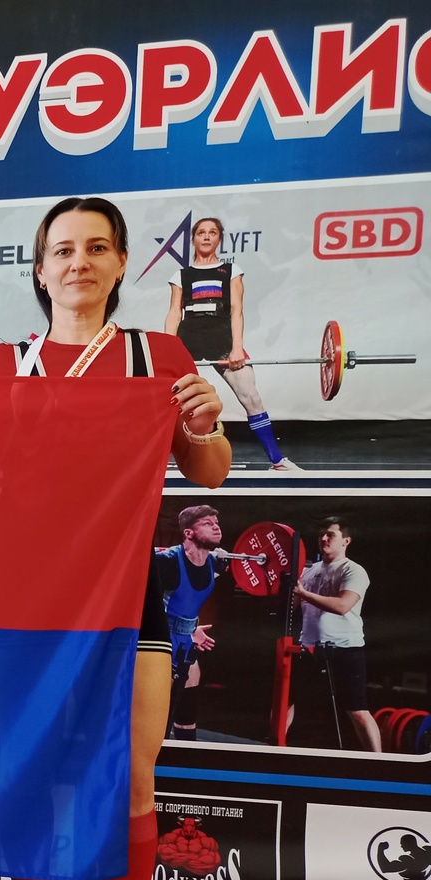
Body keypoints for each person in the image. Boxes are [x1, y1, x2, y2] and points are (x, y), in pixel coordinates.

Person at [0, 196, 230, 880]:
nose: (79, 262)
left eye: (97, 248)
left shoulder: (157, 354)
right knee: (32, 762)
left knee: (134, 771)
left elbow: (210, 471)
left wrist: (204, 421)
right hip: (22, 599)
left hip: (124, 591)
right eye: (63, 250)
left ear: (120, 263)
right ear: (40, 271)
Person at [164, 217, 299, 473]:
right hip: (188, 336)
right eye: (201, 232)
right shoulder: (180, 275)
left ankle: (277, 461)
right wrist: (168, 348)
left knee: (252, 397)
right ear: (193, 239)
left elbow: (237, 310)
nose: (206, 236)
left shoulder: (231, 271)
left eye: (212, 232)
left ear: (219, 239)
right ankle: (159, 461)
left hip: (222, 337)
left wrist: (237, 348)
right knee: (169, 399)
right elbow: (173, 313)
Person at [289, 518, 380, 752]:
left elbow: (342, 606)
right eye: (321, 534)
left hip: (345, 649)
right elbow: (292, 606)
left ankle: (379, 763)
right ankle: (274, 748)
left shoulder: (354, 571)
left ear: (346, 541)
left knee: (358, 711)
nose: (324, 539)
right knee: (285, 701)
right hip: (309, 648)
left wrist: (303, 593)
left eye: (330, 535)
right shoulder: (308, 571)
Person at [154, 505, 230, 740]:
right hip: (160, 640)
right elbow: (147, 607)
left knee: (187, 710)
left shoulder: (215, 563)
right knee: (158, 715)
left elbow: (188, 599)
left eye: (216, 523)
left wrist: (191, 628)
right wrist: (181, 628)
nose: (216, 527)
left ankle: (186, 756)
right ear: (188, 533)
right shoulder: (166, 563)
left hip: (185, 640)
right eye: (207, 523)